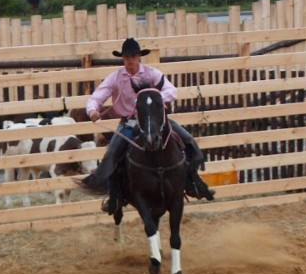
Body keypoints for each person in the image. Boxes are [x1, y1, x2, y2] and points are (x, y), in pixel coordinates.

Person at [86, 37, 214, 215]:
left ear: (139, 56)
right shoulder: (115, 77)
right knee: (111, 157)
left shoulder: (151, 73)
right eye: (126, 57)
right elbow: (97, 96)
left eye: (133, 56)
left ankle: (194, 182)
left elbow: (171, 90)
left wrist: (153, 101)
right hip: (130, 123)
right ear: (123, 59)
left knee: (188, 140)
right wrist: (92, 110)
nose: (130, 60)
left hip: (154, 121)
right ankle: (116, 197)